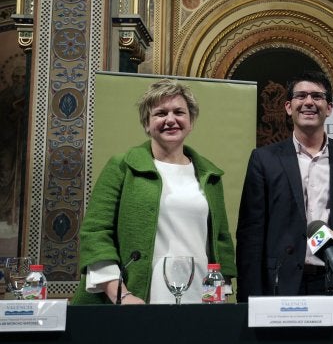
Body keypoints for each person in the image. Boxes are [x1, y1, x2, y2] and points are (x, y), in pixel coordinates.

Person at [73, 79, 236, 304]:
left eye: (179, 112)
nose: (171, 119)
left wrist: (221, 293)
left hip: (201, 294)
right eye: (160, 113)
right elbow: (96, 232)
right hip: (137, 296)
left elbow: (221, 240)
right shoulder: (122, 166)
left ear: (191, 122)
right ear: (147, 123)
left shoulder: (209, 175)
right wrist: (120, 293)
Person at [236, 71, 333, 301]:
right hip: (280, 284)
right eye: (301, 96)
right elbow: (251, 234)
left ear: (329, 108)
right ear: (289, 107)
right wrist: (248, 296)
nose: (309, 102)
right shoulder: (264, 159)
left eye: (317, 96)